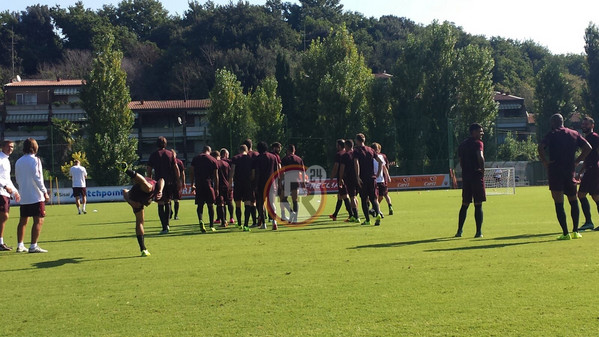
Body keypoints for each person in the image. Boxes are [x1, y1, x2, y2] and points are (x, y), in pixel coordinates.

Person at [538, 113, 592, 240]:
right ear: (563, 121)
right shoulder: (573, 133)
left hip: (556, 171)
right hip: (569, 172)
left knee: (559, 202)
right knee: (573, 200)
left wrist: (545, 161)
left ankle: (565, 233)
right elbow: (588, 148)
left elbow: (540, 147)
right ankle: (575, 231)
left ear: (553, 123)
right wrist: (577, 161)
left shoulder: (552, 134)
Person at [120, 163, 164, 257]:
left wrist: (160, 191)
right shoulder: (152, 185)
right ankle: (127, 170)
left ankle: (143, 249)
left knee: (140, 222)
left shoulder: (154, 187)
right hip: (137, 194)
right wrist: (131, 202)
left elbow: (162, 180)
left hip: (136, 197)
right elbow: (161, 180)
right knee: (147, 186)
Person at [15, 138, 50, 253]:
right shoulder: (36, 160)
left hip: (24, 195)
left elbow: (17, 178)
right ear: (35, 147)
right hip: (35, 195)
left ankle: (20, 245)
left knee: (23, 221)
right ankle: (33, 245)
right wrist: (44, 191)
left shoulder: (18, 161)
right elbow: (37, 177)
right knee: (39, 220)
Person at [455, 123, 487, 238]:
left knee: (465, 204)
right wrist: (482, 171)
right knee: (478, 204)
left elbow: (460, 160)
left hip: (466, 177)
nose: (482, 133)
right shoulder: (478, 143)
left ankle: (459, 231)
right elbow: (480, 156)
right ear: (473, 132)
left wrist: (465, 171)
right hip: (476, 176)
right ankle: (478, 232)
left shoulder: (462, 144)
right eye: (480, 131)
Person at [147, 136, 180, 234]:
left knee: (160, 203)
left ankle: (164, 227)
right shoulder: (170, 154)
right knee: (168, 202)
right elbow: (176, 168)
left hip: (158, 182)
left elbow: (149, 169)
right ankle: (168, 224)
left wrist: (150, 180)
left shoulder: (154, 155)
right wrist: (178, 180)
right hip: (170, 182)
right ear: (165, 144)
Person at [353, 133, 384, 226]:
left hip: (363, 178)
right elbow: (380, 162)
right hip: (372, 178)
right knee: (374, 198)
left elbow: (356, 163)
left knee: (364, 199)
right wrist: (378, 173)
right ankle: (378, 213)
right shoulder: (370, 150)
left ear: (357, 140)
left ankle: (367, 220)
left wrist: (357, 176)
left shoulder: (356, 150)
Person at [251, 141, 281, 229]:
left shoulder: (257, 158)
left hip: (261, 183)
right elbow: (277, 172)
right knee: (272, 203)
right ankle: (274, 222)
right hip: (272, 183)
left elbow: (256, 172)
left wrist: (255, 184)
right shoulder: (273, 157)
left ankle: (263, 223)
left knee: (261, 203)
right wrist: (278, 183)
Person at [577, 117, 599, 231]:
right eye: (583, 124)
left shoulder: (594, 137)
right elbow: (587, 157)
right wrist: (580, 172)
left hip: (594, 170)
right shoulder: (587, 138)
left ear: (592, 125)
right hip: (590, 169)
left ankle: (589, 222)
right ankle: (589, 222)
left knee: (583, 195)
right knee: (593, 196)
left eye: (586, 124)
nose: (584, 126)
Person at [190, 146, 219, 233]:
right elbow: (216, 176)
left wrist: (192, 184)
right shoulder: (213, 160)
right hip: (208, 184)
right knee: (210, 205)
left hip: (199, 184)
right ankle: (211, 225)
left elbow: (191, 171)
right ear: (209, 151)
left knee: (200, 205)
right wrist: (216, 188)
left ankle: (201, 221)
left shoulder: (196, 159)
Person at [0, 140, 20, 251]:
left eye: (12, 147)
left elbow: (7, 179)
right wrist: (4, 186)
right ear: (2, 147)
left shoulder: (6, 160)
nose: (10, 149)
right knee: (4, 216)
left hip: (5, 192)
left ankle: (1, 242)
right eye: (8, 146)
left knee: (3, 217)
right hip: (1, 191)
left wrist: (14, 191)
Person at [230, 144, 254, 231]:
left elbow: (232, 170)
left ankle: (239, 223)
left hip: (238, 183)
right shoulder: (250, 159)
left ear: (239, 150)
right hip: (247, 183)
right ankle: (246, 225)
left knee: (238, 204)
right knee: (247, 203)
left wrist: (230, 182)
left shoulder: (235, 158)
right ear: (247, 150)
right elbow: (253, 172)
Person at [280, 144, 306, 223]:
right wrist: (303, 182)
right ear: (294, 150)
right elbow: (303, 171)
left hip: (288, 180)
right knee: (295, 200)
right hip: (296, 181)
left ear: (288, 150)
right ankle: (295, 219)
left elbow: (282, 172)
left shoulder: (285, 159)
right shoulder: (299, 159)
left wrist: (281, 181)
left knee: (283, 199)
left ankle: (291, 212)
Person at [338, 139, 360, 222]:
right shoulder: (356, 153)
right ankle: (355, 215)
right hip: (358, 177)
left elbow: (342, 168)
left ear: (346, 146)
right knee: (355, 196)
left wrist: (340, 179)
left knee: (352, 197)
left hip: (350, 178)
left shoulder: (345, 155)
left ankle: (356, 216)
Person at [329, 139, 351, 221]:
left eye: (336, 145)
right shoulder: (348, 153)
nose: (336, 146)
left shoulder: (339, 154)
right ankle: (335, 215)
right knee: (340, 196)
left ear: (339, 146)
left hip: (342, 178)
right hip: (348, 177)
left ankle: (351, 214)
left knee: (345, 196)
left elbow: (336, 167)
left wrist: (331, 178)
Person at [212, 150, 233, 227]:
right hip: (227, 185)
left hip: (219, 186)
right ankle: (231, 218)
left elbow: (215, 176)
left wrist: (215, 188)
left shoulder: (215, 164)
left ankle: (223, 221)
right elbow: (230, 175)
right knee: (229, 202)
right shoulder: (226, 163)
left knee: (220, 204)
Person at [370, 142, 391, 218]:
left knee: (381, 196)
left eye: (377, 149)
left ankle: (373, 209)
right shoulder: (370, 157)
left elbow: (384, 167)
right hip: (374, 179)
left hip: (381, 179)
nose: (377, 151)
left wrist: (388, 176)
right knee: (374, 196)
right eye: (375, 149)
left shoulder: (381, 157)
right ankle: (377, 210)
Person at [171, 150, 185, 220]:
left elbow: (182, 173)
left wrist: (183, 182)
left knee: (172, 199)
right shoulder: (179, 162)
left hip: (171, 182)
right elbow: (182, 173)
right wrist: (183, 182)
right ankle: (174, 215)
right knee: (175, 199)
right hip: (175, 182)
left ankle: (173, 214)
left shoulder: (177, 162)